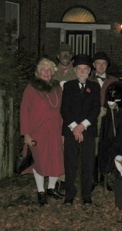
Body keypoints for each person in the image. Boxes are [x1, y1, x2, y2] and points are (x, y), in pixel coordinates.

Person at [20, 58, 64, 206]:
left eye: (49, 70)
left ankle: (51, 188)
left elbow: (61, 111)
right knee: (39, 161)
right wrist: (26, 133)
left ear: (53, 73)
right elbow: (24, 111)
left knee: (55, 160)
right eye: (43, 70)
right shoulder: (31, 88)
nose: (46, 72)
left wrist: (63, 131)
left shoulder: (58, 89)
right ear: (38, 73)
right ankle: (41, 191)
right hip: (37, 131)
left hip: (55, 131)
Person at [61, 54, 101, 206]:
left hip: (88, 130)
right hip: (71, 130)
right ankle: (69, 194)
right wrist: (74, 128)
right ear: (75, 70)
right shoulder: (68, 86)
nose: (82, 72)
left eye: (85, 69)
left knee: (88, 163)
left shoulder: (95, 86)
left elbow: (95, 109)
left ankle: (86, 195)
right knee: (70, 163)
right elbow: (65, 109)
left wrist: (82, 126)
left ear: (90, 70)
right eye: (79, 69)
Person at [88, 52, 118, 188]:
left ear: (107, 65)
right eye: (98, 63)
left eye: (103, 63)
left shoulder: (114, 81)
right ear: (94, 65)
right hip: (92, 119)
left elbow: (120, 99)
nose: (101, 66)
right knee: (93, 148)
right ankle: (93, 177)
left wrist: (113, 105)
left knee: (106, 146)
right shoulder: (87, 80)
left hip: (108, 119)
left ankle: (104, 178)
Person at [53, 43, 76, 195]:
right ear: (58, 56)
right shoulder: (51, 72)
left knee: (67, 148)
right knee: (54, 147)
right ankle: (54, 179)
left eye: (68, 53)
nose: (65, 56)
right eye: (63, 53)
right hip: (54, 116)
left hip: (70, 115)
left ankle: (65, 180)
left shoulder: (77, 72)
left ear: (71, 55)